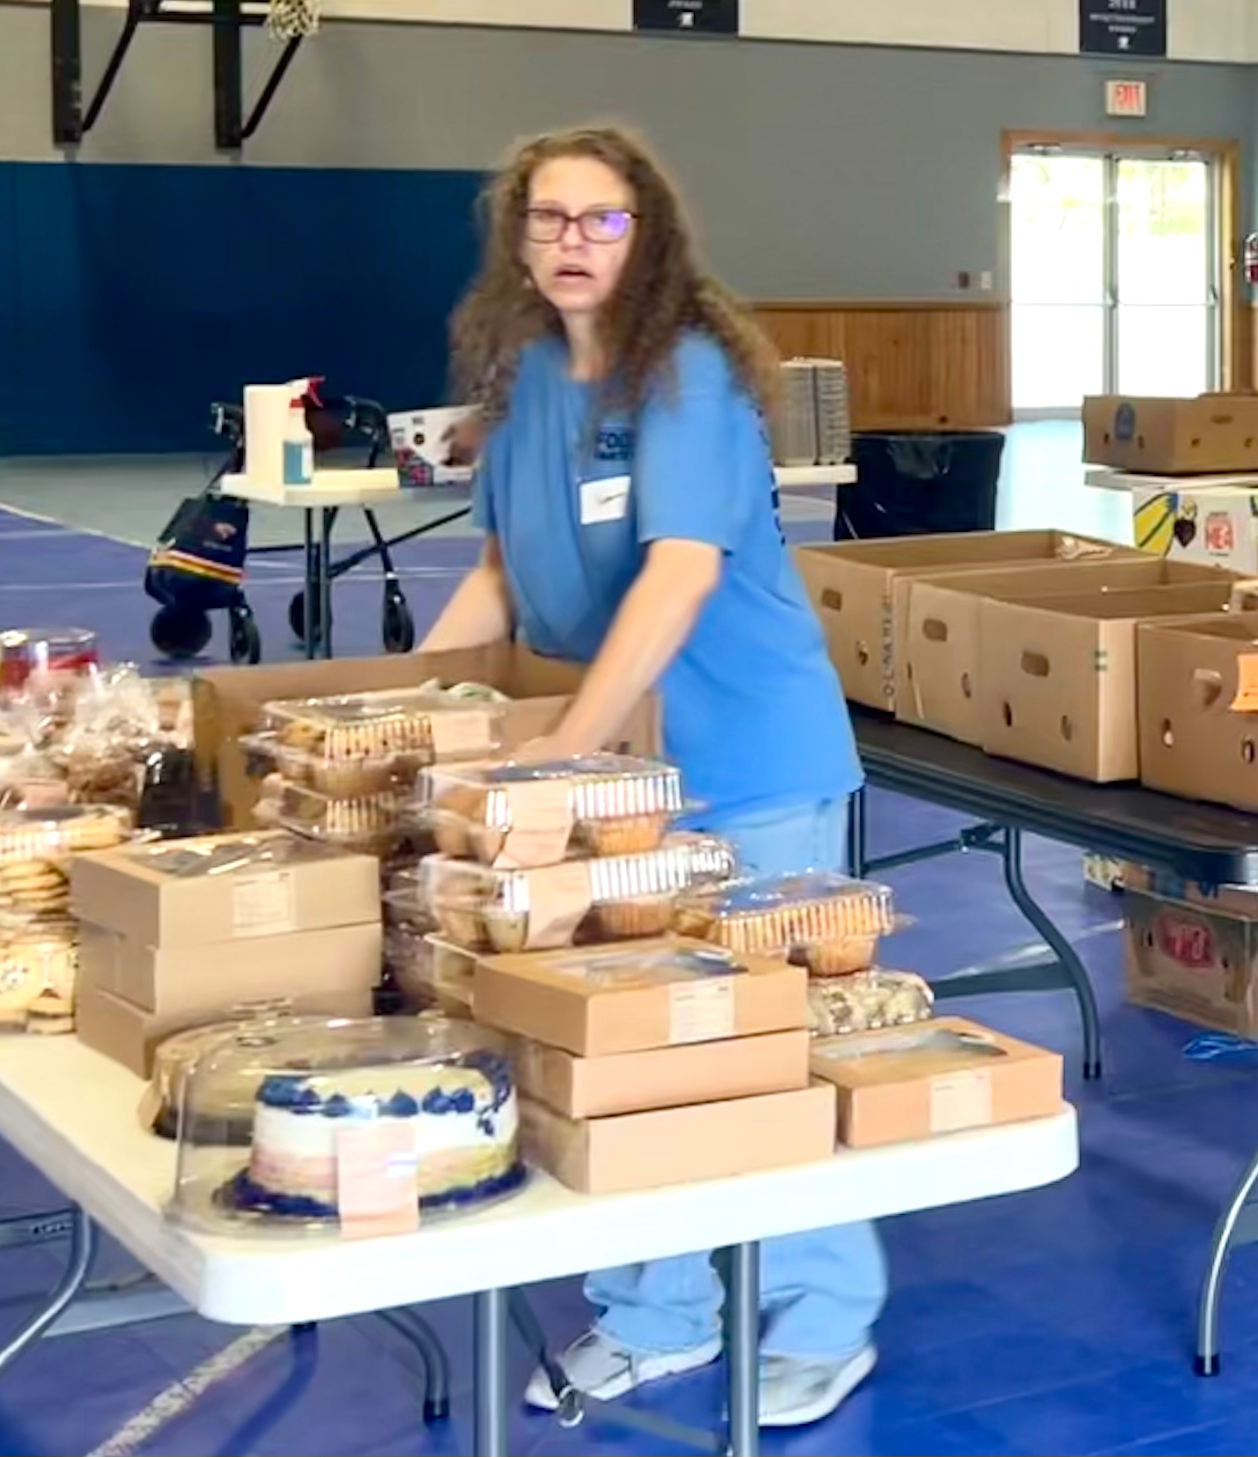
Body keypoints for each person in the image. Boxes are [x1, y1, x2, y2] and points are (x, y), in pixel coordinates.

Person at [419, 124, 885, 1428]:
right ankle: (661, 1313)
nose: (572, 241)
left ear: (650, 238)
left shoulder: (684, 380)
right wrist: (404, 706)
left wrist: (565, 741)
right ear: (517, 237)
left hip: (745, 767)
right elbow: (502, 575)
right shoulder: (526, 385)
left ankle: (826, 1313)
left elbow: (678, 574)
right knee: (630, 1050)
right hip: (617, 776)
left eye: (602, 219)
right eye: (549, 218)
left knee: (765, 1051)